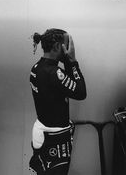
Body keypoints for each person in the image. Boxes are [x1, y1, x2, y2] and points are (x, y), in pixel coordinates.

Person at [29, 28, 87, 175]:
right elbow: (81, 92)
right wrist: (72, 61)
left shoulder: (37, 68)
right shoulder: (54, 73)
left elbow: (65, 87)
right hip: (53, 139)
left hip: (43, 131)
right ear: (56, 46)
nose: (68, 50)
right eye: (66, 45)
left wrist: (67, 62)